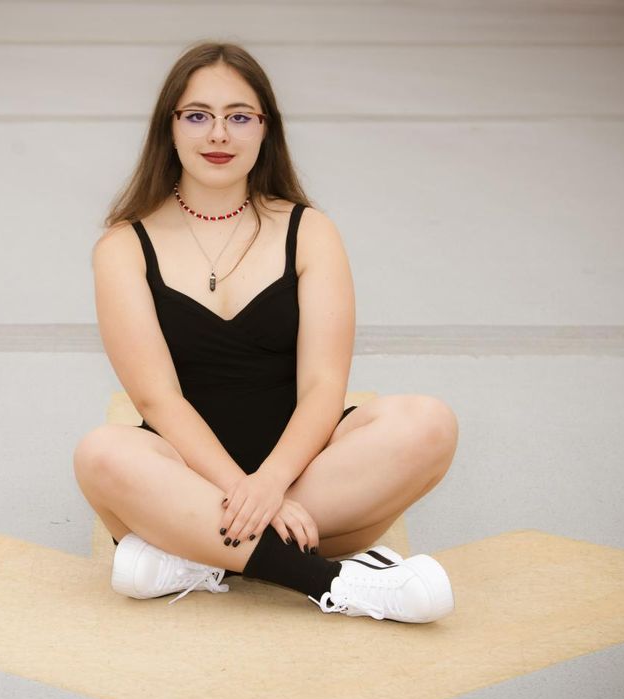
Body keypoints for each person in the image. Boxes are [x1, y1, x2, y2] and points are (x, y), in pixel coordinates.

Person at [73, 41, 459, 623]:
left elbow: (325, 389)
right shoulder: (123, 246)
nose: (218, 135)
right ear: (169, 129)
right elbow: (157, 399)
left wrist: (272, 485)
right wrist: (240, 490)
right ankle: (332, 580)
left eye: (239, 116)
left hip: (307, 483)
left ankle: (196, 556)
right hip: (184, 481)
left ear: (265, 130)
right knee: (102, 453)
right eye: (198, 115)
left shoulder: (310, 230)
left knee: (429, 423)